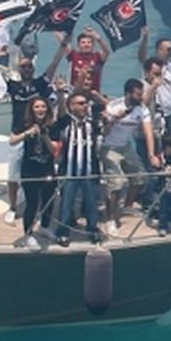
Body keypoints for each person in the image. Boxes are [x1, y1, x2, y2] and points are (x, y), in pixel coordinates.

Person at [102, 77, 157, 231]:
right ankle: (110, 219)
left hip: (126, 147)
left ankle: (126, 206)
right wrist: (114, 119)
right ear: (128, 94)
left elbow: (148, 132)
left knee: (140, 178)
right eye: (138, 95)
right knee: (116, 183)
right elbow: (104, 132)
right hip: (109, 147)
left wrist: (151, 154)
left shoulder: (142, 109)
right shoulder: (113, 106)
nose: (141, 98)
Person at [52, 91, 105, 246]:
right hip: (69, 173)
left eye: (86, 103)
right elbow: (61, 114)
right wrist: (60, 94)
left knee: (91, 204)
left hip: (89, 173)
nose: (85, 106)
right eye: (80, 103)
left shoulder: (92, 124)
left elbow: (101, 138)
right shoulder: (66, 124)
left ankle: (92, 229)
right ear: (72, 106)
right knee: (66, 204)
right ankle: (63, 231)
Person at [8, 96, 58, 250]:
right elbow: (12, 141)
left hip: (47, 169)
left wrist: (45, 136)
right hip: (30, 169)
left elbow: (54, 150)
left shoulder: (52, 125)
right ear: (32, 109)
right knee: (32, 203)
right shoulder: (24, 124)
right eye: (37, 107)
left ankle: (44, 226)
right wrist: (27, 133)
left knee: (48, 200)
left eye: (43, 106)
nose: (40, 109)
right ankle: (28, 234)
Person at [62, 28, 110, 96]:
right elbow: (63, 43)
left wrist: (98, 38)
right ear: (78, 45)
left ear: (93, 45)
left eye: (89, 42)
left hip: (93, 95)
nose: (86, 45)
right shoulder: (73, 55)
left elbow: (107, 51)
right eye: (83, 42)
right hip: (75, 95)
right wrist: (55, 27)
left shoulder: (98, 57)